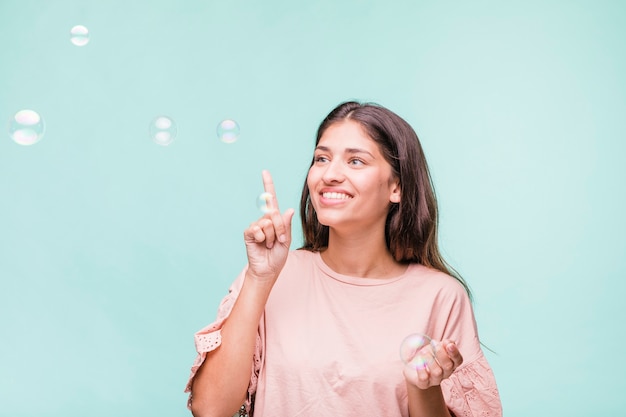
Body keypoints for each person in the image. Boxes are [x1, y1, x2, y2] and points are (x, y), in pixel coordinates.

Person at [184, 101, 502, 417]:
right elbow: (210, 409)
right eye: (322, 158)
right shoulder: (271, 275)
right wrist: (259, 278)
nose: (330, 174)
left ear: (397, 187)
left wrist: (423, 386)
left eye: (356, 161)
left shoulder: (441, 296)